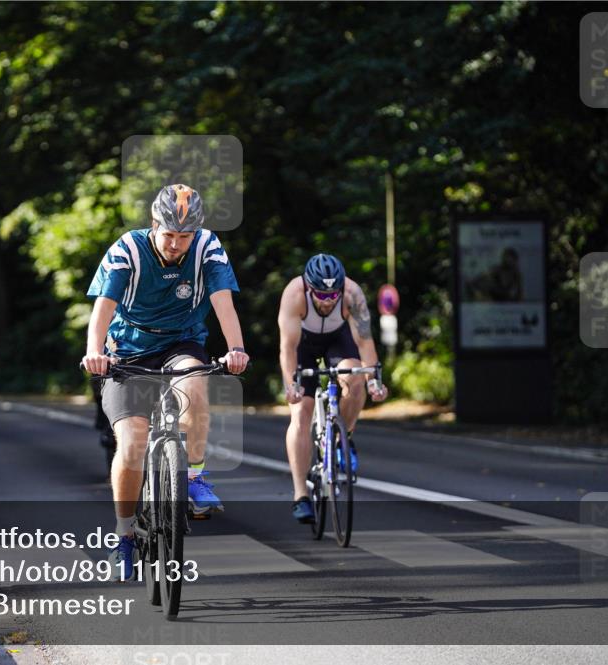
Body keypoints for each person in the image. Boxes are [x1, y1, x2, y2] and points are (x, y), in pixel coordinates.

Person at [81, 183, 249, 581]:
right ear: (153, 224)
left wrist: (237, 349)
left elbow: (224, 302)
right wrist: (95, 352)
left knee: (194, 383)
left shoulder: (207, 247)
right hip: (127, 351)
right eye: (169, 234)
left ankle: (193, 476)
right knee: (132, 441)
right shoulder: (128, 250)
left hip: (181, 341)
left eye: (184, 237)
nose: (176, 245)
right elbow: (101, 310)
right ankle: (123, 535)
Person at [278, 254, 388, 524]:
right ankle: (301, 495)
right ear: (309, 287)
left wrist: (374, 381)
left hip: (338, 339)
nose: (326, 301)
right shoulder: (295, 294)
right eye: (321, 295)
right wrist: (291, 385)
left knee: (355, 377)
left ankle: (343, 437)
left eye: (332, 295)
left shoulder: (352, 294)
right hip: (303, 343)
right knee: (301, 411)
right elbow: (288, 348)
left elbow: (365, 343)